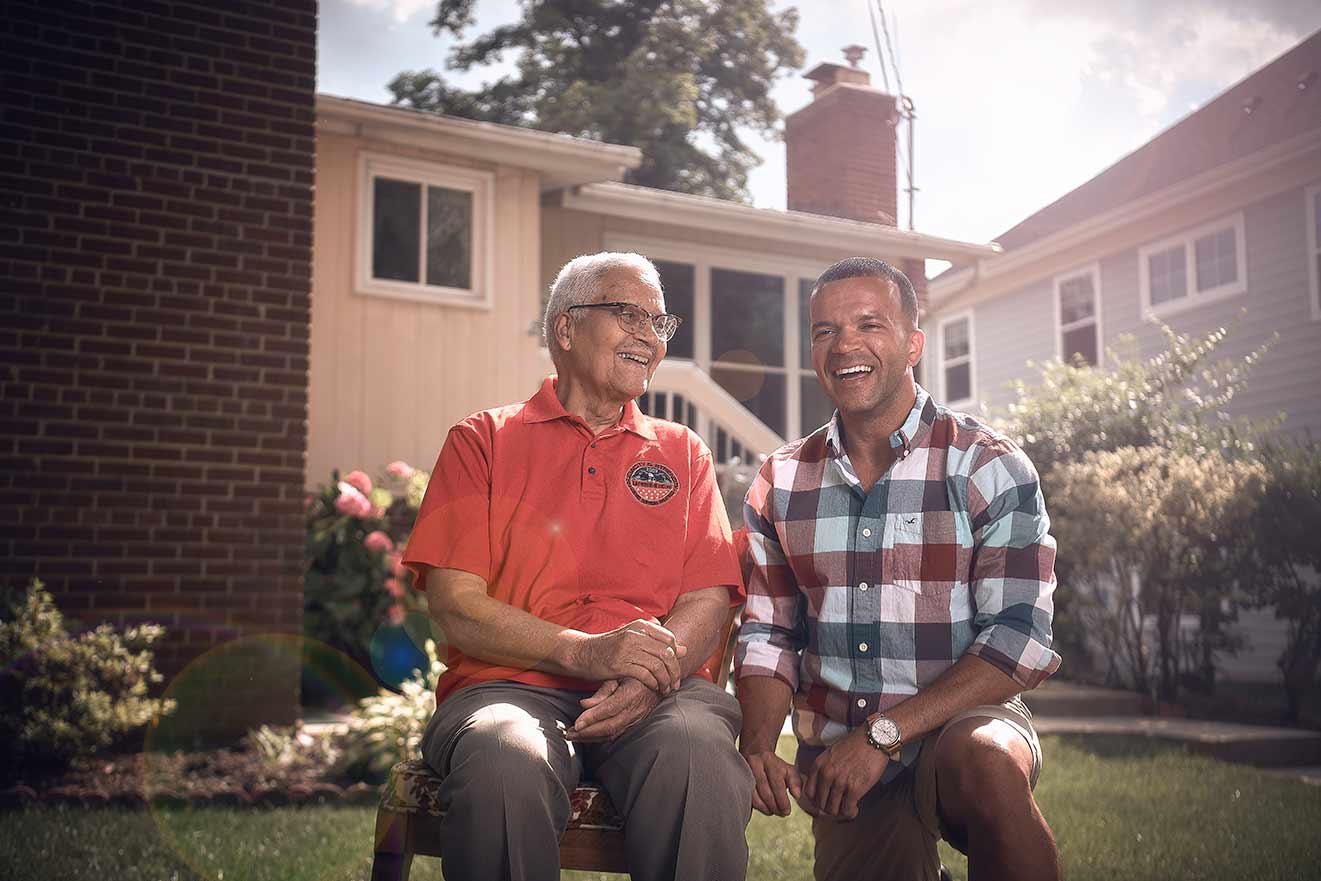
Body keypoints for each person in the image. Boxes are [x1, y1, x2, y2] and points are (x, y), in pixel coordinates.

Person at [401, 252, 754, 881]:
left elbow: (708, 596)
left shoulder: (684, 454)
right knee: (504, 756)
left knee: (698, 753)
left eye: (659, 321)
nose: (649, 335)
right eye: (628, 314)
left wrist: (649, 674)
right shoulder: (482, 440)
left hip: (659, 693)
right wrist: (587, 653)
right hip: (509, 688)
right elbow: (455, 606)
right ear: (566, 328)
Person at [735, 256, 1063, 881]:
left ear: (913, 343)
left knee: (989, 764)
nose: (845, 346)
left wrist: (884, 735)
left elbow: (1021, 638)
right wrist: (756, 745)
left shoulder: (987, 467)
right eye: (825, 331)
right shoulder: (780, 482)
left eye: (869, 325)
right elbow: (769, 635)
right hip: (840, 761)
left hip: (958, 725)